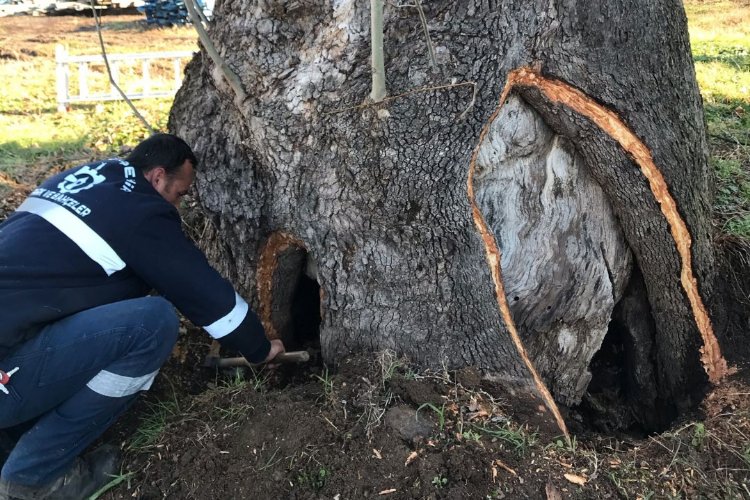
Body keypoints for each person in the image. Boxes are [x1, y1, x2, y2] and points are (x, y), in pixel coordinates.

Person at [0, 133, 284, 499]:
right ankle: (32, 477)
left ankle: (13, 442)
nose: (178, 209)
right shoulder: (139, 210)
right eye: (180, 194)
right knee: (151, 324)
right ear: (157, 177)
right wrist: (258, 348)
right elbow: (202, 291)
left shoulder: (84, 179)